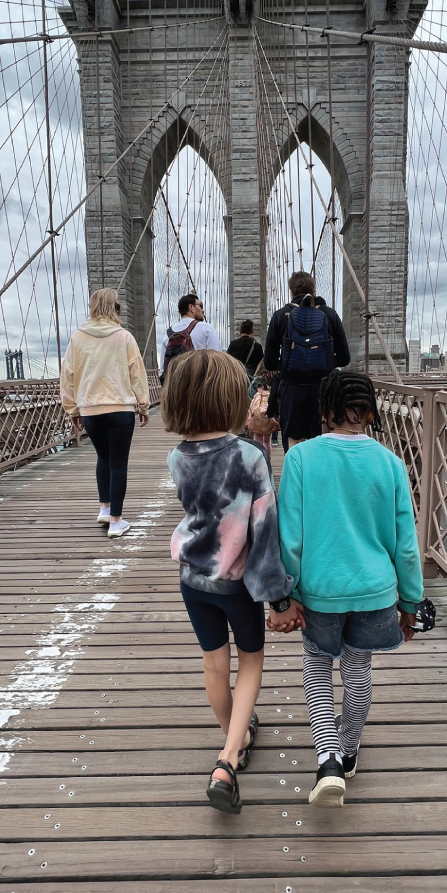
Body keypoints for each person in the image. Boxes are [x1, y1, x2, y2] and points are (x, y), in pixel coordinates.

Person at [275, 370, 424, 807]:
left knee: (318, 667)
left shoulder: (301, 458)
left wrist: (290, 593)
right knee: (359, 671)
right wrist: (411, 602)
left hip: (320, 590)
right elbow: (406, 544)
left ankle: (328, 760)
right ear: (373, 414)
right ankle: (351, 750)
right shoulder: (391, 464)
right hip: (376, 594)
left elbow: (290, 537)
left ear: (322, 412)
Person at [162, 349, 295, 815]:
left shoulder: (177, 458)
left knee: (214, 668)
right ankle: (225, 762)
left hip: (193, 579)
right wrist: (279, 597)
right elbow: (264, 534)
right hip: (238, 585)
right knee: (251, 664)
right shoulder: (251, 456)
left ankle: (234, 739)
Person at [60, 288, 150, 538]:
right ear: (115, 307)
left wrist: (72, 408)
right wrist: (143, 405)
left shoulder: (78, 338)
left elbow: (67, 374)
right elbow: (136, 374)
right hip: (120, 408)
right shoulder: (124, 337)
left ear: (91, 307)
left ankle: (104, 508)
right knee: (119, 463)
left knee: (104, 458)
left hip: (90, 408)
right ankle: (116, 521)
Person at [263, 270, 350, 450]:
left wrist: (289, 362)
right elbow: (344, 358)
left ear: (292, 293)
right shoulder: (330, 314)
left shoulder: (280, 316)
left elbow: (270, 363)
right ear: (314, 291)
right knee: (323, 444)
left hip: (291, 391)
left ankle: (296, 476)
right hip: (324, 390)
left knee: (293, 446)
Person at [159, 293, 222, 379]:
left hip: (175, 388)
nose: (203, 310)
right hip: (200, 387)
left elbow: (163, 369)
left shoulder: (168, 335)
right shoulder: (206, 328)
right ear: (191, 308)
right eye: (201, 306)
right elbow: (217, 363)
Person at [245, 365, 279, 472]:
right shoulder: (276, 381)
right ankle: (267, 459)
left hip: (258, 417)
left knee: (258, 440)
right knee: (267, 441)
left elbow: (250, 396)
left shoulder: (256, 382)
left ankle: (259, 460)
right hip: (268, 417)